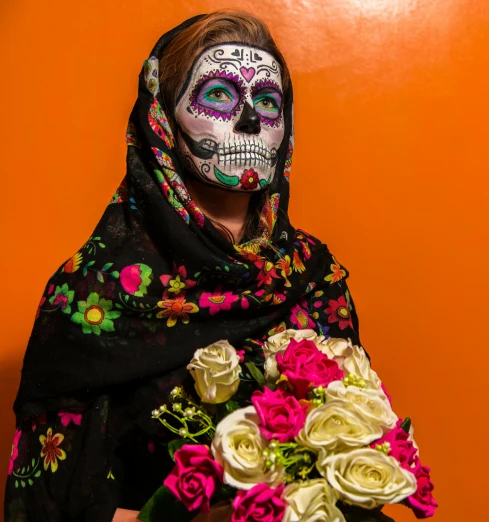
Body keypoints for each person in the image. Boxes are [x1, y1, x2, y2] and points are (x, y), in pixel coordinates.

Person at [5, 11, 364, 521]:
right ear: (162, 120)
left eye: (267, 102)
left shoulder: (313, 276)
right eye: (217, 94)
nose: (248, 121)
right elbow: (51, 504)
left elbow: (357, 451)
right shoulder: (91, 293)